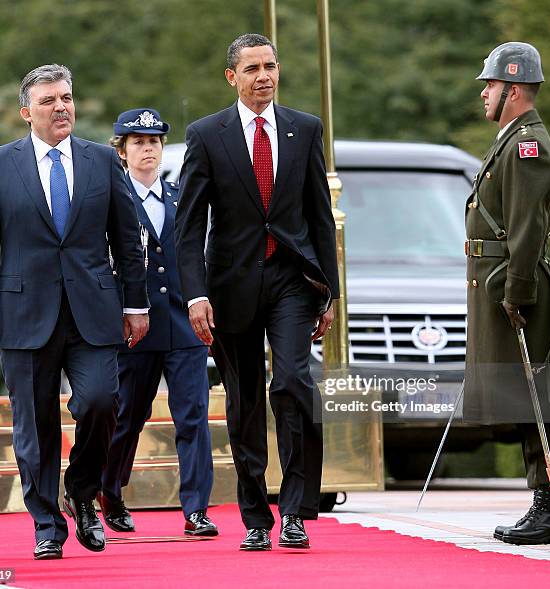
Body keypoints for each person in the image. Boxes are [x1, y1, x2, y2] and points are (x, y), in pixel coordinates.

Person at [0, 64, 150, 559]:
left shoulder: (100, 161)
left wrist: (136, 302)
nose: (61, 106)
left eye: (66, 97)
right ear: (27, 112)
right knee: (36, 423)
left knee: (99, 403)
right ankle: (47, 522)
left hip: (94, 309)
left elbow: (127, 239)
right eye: (48, 100)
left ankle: (82, 493)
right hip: (24, 312)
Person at [175, 33, 339, 551]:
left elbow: (319, 217)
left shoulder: (304, 130)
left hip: (291, 280)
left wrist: (329, 293)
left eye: (271, 66)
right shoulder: (207, 135)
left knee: (292, 383)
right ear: (232, 77)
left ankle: (294, 511)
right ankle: (255, 517)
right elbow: (187, 227)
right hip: (230, 286)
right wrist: (195, 295)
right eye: (252, 69)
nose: (264, 76)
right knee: (244, 402)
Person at [98, 108, 217, 537]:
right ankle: (109, 489)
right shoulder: (112, 198)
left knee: (193, 415)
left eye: (153, 142)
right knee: (127, 416)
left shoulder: (179, 196)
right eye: (137, 143)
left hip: (184, 324)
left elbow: (196, 254)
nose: (147, 149)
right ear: (122, 151)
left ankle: (196, 510)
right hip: (134, 324)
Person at [464, 42, 550, 544]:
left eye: (491, 85)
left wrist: (516, 292)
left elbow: (526, 229)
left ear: (514, 89)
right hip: (503, 283)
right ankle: (545, 499)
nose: (484, 93)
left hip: (516, 287)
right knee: (526, 399)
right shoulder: (511, 140)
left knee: (539, 399)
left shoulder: (527, 147)